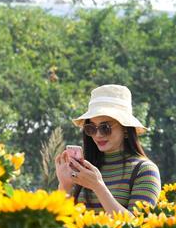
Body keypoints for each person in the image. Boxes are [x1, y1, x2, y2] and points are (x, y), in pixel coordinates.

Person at [55, 84, 160, 214]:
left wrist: (98, 187)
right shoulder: (84, 169)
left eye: (105, 128)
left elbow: (138, 224)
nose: (98, 135)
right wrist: (64, 186)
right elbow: (59, 221)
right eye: (91, 128)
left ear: (125, 129)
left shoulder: (145, 170)